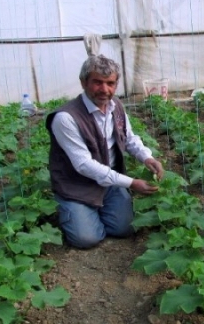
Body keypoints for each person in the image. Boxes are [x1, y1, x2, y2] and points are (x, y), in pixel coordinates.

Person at [46, 54, 164, 249]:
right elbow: (83, 165)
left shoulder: (115, 106)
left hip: (109, 182)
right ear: (83, 83)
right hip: (77, 185)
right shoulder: (65, 118)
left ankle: (93, 211)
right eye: (97, 83)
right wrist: (132, 183)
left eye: (110, 83)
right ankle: (74, 209)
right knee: (87, 239)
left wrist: (147, 157)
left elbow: (129, 137)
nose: (104, 89)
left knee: (124, 229)